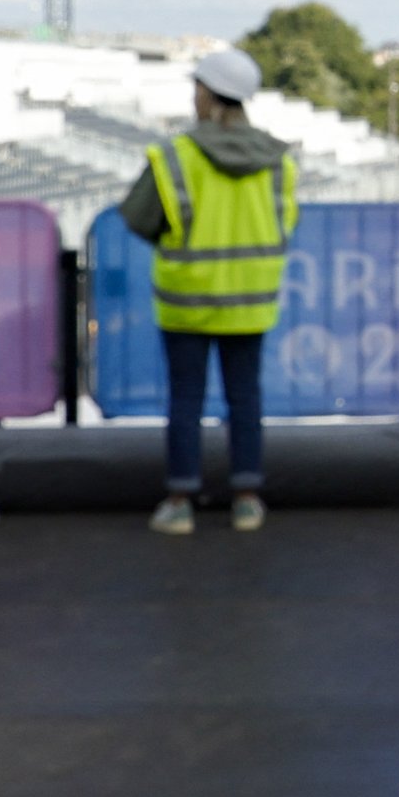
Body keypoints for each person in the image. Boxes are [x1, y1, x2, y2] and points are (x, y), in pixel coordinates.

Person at [121, 44, 296, 536]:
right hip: (251, 301)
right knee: (245, 397)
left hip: (188, 302)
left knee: (185, 399)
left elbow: (139, 218)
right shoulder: (279, 160)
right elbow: (285, 222)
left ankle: (180, 500)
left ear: (209, 94)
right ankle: (246, 498)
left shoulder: (176, 157)